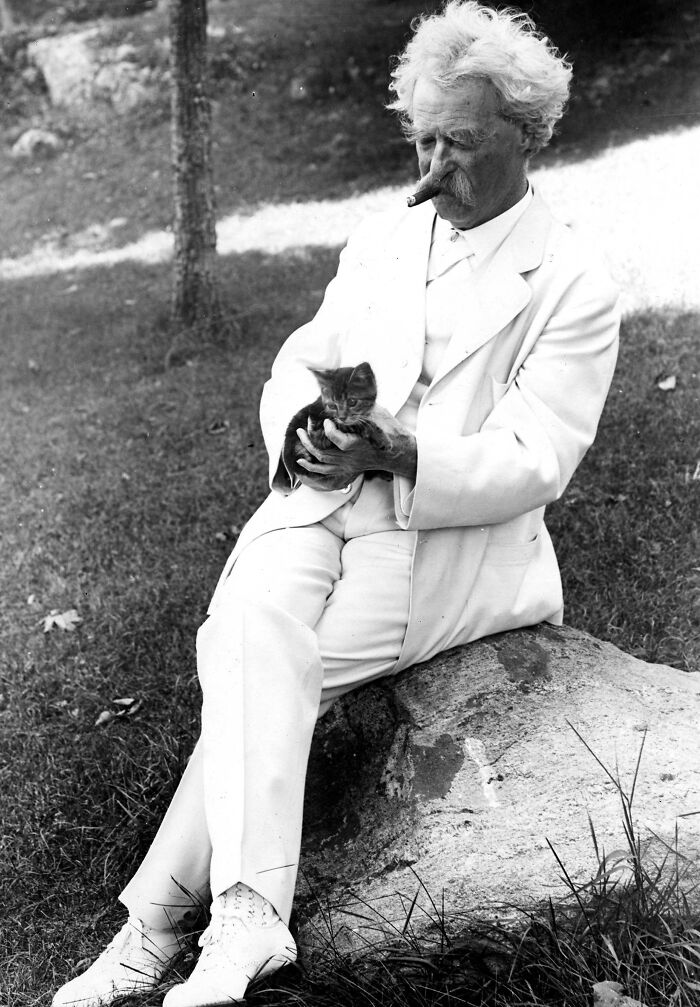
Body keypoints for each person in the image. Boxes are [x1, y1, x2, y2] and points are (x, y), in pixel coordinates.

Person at [52, 3, 620, 1005]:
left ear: (526, 135)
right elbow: (297, 364)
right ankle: (241, 923)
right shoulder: (384, 237)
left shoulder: (572, 282)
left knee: (261, 659)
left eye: (459, 143)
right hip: (320, 504)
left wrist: (396, 450)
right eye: (423, 139)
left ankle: (155, 928)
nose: (430, 168)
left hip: (437, 539)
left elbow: (537, 457)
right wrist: (306, 436)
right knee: (250, 629)